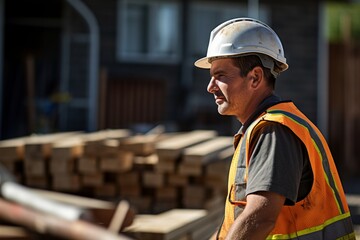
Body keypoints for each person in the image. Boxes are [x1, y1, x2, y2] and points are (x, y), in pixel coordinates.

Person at [194, 18, 355, 240]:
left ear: (255, 77)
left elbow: (260, 217)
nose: (210, 86)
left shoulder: (274, 131)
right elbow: (241, 219)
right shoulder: (265, 127)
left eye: (220, 76)